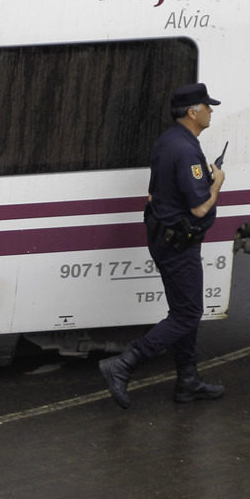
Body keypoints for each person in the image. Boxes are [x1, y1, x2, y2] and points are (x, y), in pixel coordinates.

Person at [99, 83, 227, 409]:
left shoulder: (169, 140)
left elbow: (155, 194)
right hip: (178, 243)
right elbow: (199, 207)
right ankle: (124, 363)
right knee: (188, 314)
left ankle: (188, 380)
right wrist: (217, 183)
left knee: (184, 311)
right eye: (207, 106)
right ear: (192, 112)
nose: (211, 111)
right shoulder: (185, 150)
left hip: (165, 236)